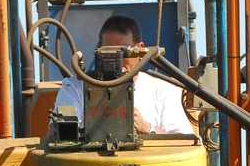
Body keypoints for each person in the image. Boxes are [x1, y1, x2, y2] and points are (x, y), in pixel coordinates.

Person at [53, 14, 191, 134]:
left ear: (140, 50)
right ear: (98, 48)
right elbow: (56, 134)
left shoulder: (163, 90)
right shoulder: (74, 87)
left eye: (123, 51)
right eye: (109, 50)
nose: (116, 58)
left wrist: (148, 129)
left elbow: (185, 143)